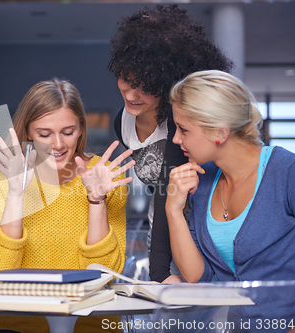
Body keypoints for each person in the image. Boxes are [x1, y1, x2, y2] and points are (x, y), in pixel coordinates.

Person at [0, 78, 135, 333]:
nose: (58, 144)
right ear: (28, 132)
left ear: (82, 128)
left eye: (68, 132)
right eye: (44, 134)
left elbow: (105, 274)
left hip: (90, 323)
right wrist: (16, 193)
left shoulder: (104, 177)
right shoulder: (0, 178)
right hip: (14, 324)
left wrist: (96, 200)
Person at [165, 70, 295, 328]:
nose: (176, 139)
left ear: (219, 131)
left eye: (183, 129)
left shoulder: (293, 173)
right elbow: (198, 276)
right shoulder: (204, 180)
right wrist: (173, 211)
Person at [107, 4, 233, 283]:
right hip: (163, 228)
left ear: (167, 82)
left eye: (146, 86)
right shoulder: (123, 121)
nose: (132, 94)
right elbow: (159, 193)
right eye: (126, 80)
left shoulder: (178, 127)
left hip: (199, 234)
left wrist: (160, 274)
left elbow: (168, 192)